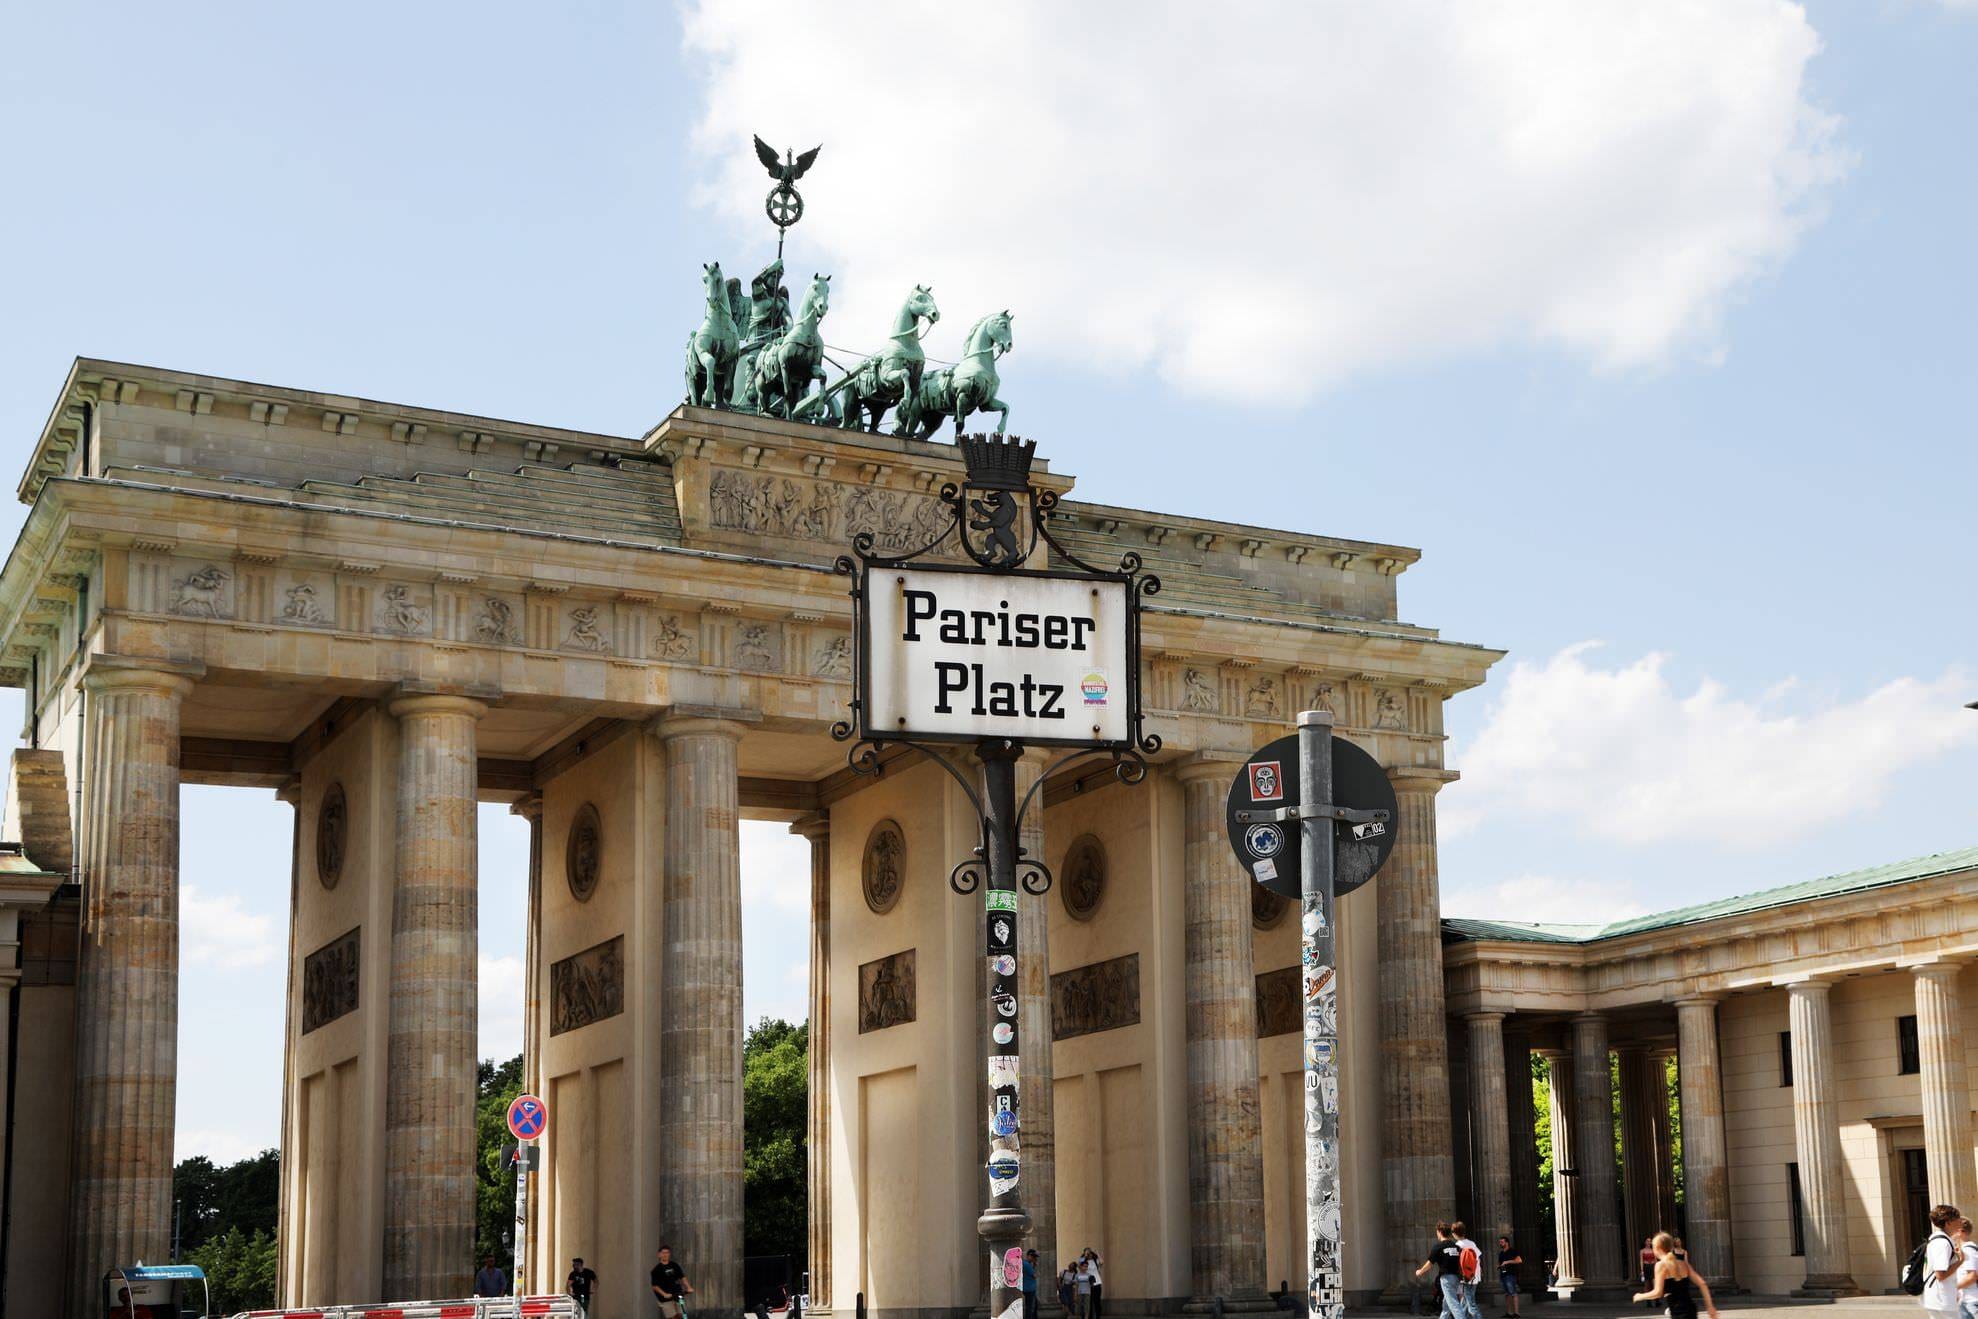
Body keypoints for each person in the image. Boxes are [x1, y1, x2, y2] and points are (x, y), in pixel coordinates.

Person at [1634, 1231, 1718, 1319]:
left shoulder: (1660, 1266)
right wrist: (1710, 1307)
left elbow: (1657, 1293)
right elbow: (1702, 1284)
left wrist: (1640, 1296)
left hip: (1677, 1311)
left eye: (1653, 1247)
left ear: (1657, 1248)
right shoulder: (1683, 1264)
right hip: (1691, 1309)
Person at [1922, 1206, 1964, 1319]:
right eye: (1957, 1218)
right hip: (1942, 1300)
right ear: (1948, 1223)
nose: (1961, 1220)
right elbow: (1940, 1275)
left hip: (1938, 1298)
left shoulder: (1937, 1239)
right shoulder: (1942, 1243)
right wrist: (1960, 1261)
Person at [1415, 1223, 1464, 1319]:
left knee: (1454, 1304)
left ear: (1440, 1232)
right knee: (1446, 1305)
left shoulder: (1438, 1247)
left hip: (1446, 1279)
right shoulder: (1456, 1246)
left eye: (1437, 1232)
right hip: (1456, 1278)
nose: (1437, 1234)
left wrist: (1420, 1271)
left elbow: (1429, 1264)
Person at [1450, 1222, 1483, 1319]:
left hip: (1465, 1277)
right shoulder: (1471, 1243)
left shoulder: (1457, 1245)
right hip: (1474, 1276)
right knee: (1465, 1301)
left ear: (1454, 1233)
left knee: (1471, 1305)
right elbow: (1479, 1257)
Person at [652, 1244, 694, 1318]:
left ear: (669, 1254)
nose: (665, 1254)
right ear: (659, 1255)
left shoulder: (674, 1265)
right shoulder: (656, 1270)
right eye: (663, 1253)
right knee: (673, 1317)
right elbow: (655, 1286)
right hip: (666, 1298)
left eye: (667, 1252)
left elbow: (682, 1277)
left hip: (678, 1294)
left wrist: (688, 1287)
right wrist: (664, 1294)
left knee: (683, 1315)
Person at [1952, 1217, 1978, 1319]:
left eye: (1953, 1229)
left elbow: (1972, 1277)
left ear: (1960, 1232)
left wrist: (1952, 1288)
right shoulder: (1967, 1249)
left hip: (1972, 1301)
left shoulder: (1968, 1250)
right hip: (1967, 1300)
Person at [1496, 1236, 1523, 1318]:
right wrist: (1499, 1266)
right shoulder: (1501, 1253)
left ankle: (1517, 1313)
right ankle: (1509, 1313)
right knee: (1507, 1294)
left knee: (1513, 1293)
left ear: (1507, 1243)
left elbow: (1519, 1260)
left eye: (1502, 1242)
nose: (1500, 1243)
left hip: (1511, 1275)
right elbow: (1500, 1263)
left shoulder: (1512, 1251)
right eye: (1500, 1242)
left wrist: (1508, 1262)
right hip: (1503, 1275)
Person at [1082, 1249, 1105, 1319]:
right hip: (1088, 1285)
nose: (1089, 1254)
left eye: (1090, 1253)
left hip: (1097, 1283)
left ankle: (1098, 1316)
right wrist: (1085, 1255)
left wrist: (1097, 1253)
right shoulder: (1084, 1262)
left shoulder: (1095, 1261)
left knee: (1097, 1301)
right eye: (1087, 1253)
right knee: (1089, 1302)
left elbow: (1101, 1262)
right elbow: (1080, 1266)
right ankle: (1090, 1317)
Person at [1639, 1237, 1658, 1303]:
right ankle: (1648, 1302)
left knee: (1654, 1284)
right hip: (1646, 1267)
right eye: (1647, 1241)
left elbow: (1655, 1260)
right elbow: (1641, 1261)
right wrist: (1642, 1270)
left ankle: (1656, 1301)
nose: (1649, 1242)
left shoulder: (1654, 1250)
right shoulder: (1642, 1251)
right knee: (1647, 1285)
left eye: (1650, 1241)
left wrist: (1657, 1268)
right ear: (1645, 1242)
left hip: (1653, 1267)